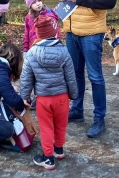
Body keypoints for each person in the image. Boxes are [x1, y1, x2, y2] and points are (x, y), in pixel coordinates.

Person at [57, 0, 117, 138]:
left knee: (95, 76)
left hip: (91, 32)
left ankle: (99, 118)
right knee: (75, 74)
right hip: (71, 31)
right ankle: (78, 110)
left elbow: (110, 1)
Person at [20, 15, 78, 170]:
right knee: (61, 124)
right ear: (55, 32)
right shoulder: (64, 51)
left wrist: (25, 96)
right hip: (62, 98)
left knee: (46, 128)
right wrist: (73, 94)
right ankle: (59, 150)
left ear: (38, 34)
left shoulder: (32, 53)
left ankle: (48, 158)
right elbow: (71, 77)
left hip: (43, 100)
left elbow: (26, 78)